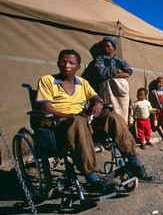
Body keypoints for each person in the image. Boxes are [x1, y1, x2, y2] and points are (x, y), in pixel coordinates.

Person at [36, 49, 155, 194]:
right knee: (78, 121)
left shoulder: (83, 83)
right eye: (63, 61)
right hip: (58, 123)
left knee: (113, 117)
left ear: (78, 67)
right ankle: (92, 177)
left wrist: (97, 103)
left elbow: (95, 97)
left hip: (82, 120)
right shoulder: (47, 81)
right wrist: (73, 115)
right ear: (58, 63)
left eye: (71, 63)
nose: (67, 65)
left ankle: (132, 161)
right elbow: (45, 107)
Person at [81, 36, 132, 123]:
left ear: (114, 47)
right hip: (106, 89)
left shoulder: (120, 61)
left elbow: (128, 73)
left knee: (122, 109)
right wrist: (118, 71)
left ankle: (122, 126)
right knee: (109, 110)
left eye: (108, 46)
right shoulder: (99, 59)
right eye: (104, 46)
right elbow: (100, 73)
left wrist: (109, 72)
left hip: (120, 90)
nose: (106, 48)